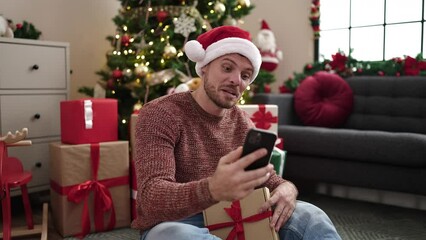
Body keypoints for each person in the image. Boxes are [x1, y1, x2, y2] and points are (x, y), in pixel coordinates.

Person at [132, 25, 341, 240]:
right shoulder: (160, 113)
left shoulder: (243, 123)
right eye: (227, 68)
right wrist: (212, 189)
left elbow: (266, 179)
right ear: (204, 67)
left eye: (246, 75)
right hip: (177, 222)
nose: (236, 80)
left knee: (310, 215)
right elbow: (151, 198)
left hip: (234, 216)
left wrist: (288, 188)